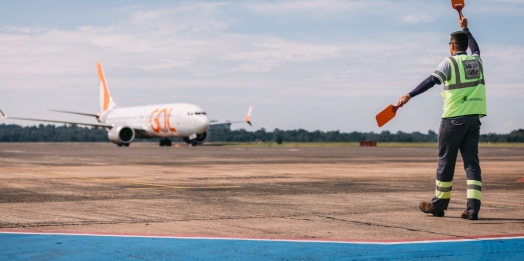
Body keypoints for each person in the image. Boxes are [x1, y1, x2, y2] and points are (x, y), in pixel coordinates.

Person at [396, 13, 486, 220]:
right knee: (472, 164)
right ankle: (473, 209)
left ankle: (438, 205)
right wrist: (466, 28)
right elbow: (476, 49)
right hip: (474, 120)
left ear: (451, 46)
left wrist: (409, 94)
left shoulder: (449, 63)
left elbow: (431, 80)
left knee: (446, 162)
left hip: (454, 119)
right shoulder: (477, 62)